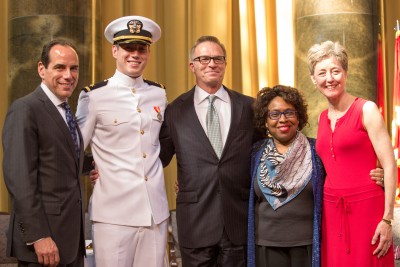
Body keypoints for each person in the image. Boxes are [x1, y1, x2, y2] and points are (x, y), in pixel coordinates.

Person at [75, 16, 169, 267]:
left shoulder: (159, 93)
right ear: (115, 50)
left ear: (148, 52)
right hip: (113, 215)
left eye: (141, 48)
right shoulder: (94, 96)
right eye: (128, 47)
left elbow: (161, 144)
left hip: (155, 213)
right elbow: (72, 147)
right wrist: (92, 167)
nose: (135, 54)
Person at [159, 35, 258, 267]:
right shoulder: (174, 111)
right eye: (204, 59)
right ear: (192, 66)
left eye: (217, 58)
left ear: (225, 64)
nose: (211, 64)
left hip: (238, 220)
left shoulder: (249, 106)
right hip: (195, 221)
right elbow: (158, 158)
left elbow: (264, 155)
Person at [308, 40, 397, 266]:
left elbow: (389, 165)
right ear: (313, 79)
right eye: (322, 73)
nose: (329, 78)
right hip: (331, 212)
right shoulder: (320, 118)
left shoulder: (366, 109)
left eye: (336, 71)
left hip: (367, 210)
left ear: (346, 73)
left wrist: (387, 219)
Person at [2, 39, 85, 267]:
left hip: (70, 242)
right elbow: (19, 179)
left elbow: (61, 158)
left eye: (74, 68)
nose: (68, 75)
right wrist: (38, 236)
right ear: (42, 69)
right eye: (60, 67)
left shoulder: (66, 111)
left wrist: (92, 167)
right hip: (44, 244)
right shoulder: (25, 109)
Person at [247, 85, 325, 267]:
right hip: (266, 245)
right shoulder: (254, 153)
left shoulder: (317, 151)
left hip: (307, 245)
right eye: (274, 114)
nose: (283, 119)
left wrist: (379, 175)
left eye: (289, 112)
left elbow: (341, 179)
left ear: (299, 118)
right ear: (265, 121)